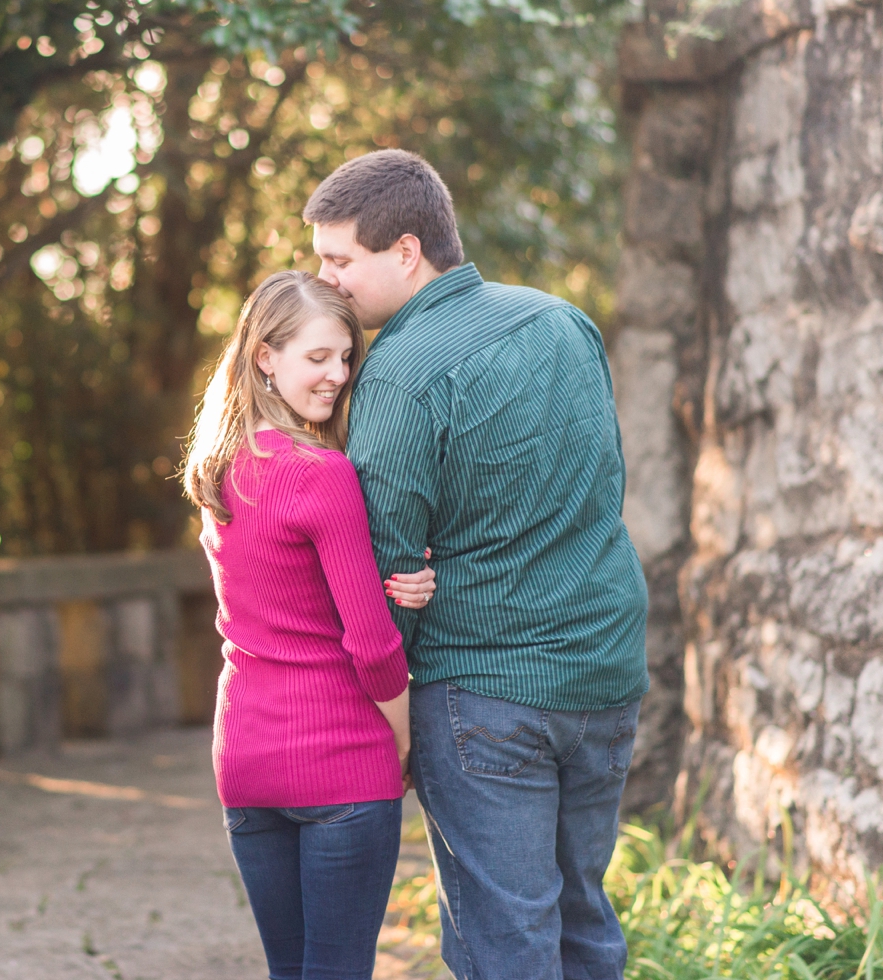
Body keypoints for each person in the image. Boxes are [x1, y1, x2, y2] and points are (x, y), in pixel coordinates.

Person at [304, 149, 649, 980]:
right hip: (606, 677)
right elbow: (603, 484)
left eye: (339, 259)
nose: (325, 278)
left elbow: (387, 568)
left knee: (506, 943)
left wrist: (385, 712)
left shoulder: (399, 374)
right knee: (583, 920)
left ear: (407, 251)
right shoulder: (565, 322)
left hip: (486, 694)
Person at [183, 270, 436, 980]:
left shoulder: (220, 465)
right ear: (266, 356)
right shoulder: (320, 473)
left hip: (245, 755)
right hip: (339, 759)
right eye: (317, 358)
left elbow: (282, 601)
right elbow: (371, 644)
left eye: (346, 357)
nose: (337, 375)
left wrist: (400, 586)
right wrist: (405, 740)